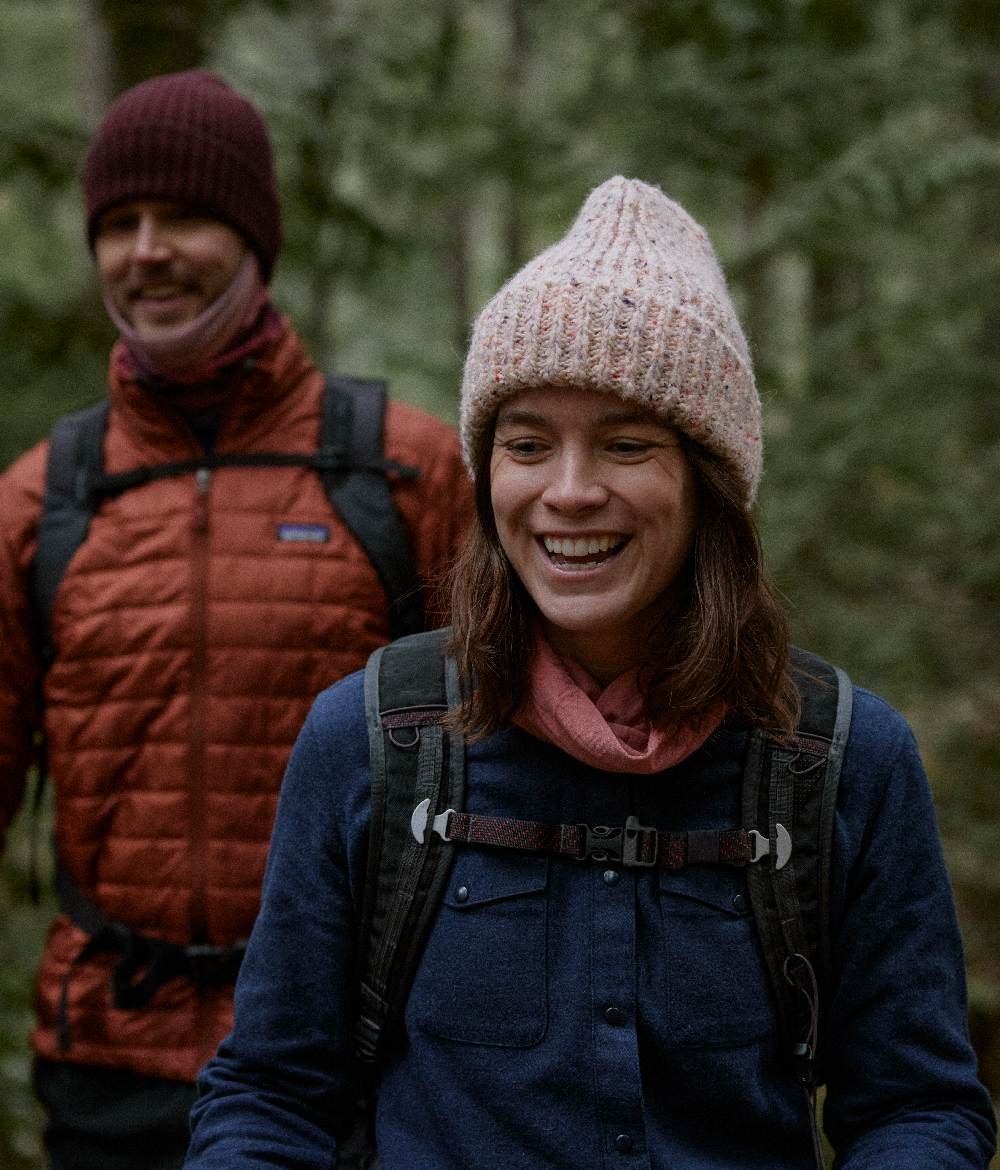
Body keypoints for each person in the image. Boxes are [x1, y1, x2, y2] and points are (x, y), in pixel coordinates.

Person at [183, 177, 997, 1168]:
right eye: (526, 444)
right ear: (489, 480)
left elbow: (919, 1106)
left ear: (708, 485)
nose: (568, 492)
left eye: (624, 444)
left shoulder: (843, 758)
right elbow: (271, 1093)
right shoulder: (372, 741)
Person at [0, 69, 472, 1170]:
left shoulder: (406, 473)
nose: (147, 250)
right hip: (110, 1050)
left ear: (256, 237)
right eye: (118, 224)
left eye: (184, 217)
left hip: (352, 1052)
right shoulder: (41, 499)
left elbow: (505, 764)